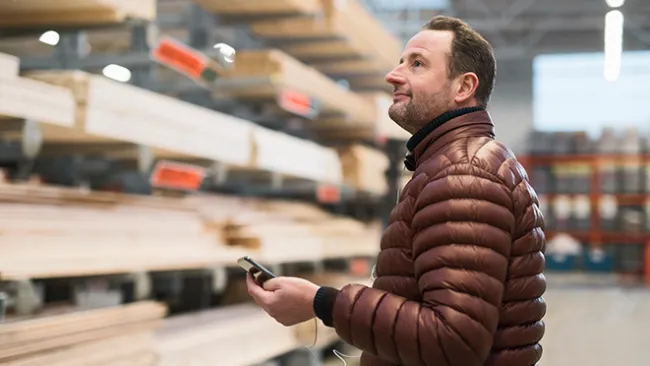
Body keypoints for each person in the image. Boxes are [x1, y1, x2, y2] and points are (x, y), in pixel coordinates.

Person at [246, 15, 546, 366]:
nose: (394, 74)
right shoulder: (456, 164)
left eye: (417, 64)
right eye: (401, 61)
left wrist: (321, 302)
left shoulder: (465, 175)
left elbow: (452, 342)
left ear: (463, 87)